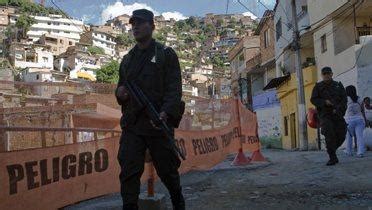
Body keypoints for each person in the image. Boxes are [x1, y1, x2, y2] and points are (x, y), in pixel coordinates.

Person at [115, 9, 185, 210]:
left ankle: (178, 203)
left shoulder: (165, 55)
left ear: (152, 26)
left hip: (158, 124)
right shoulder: (127, 60)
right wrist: (119, 93)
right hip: (133, 125)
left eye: (140, 22)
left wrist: (164, 113)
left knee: (169, 172)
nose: (135, 26)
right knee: (128, 172)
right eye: (132, 23)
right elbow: (120, 88)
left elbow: (174, 89)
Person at [311, 67, 347, 166]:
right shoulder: (318, 87)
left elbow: (344, 100)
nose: (326, 75)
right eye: (324, 74)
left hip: (337, 113)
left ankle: (331, 149)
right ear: (322, 75)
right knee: (329, 133)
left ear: (331, 74)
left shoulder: (338, 86)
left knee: (342, 134)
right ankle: (332, 157)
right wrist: (324, 102)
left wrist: (339, 109)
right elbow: (313, 100)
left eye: (328, 73)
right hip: (325, 114)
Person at [344, 85, 367, 157]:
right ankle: (360, 152)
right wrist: (365, 120)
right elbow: (363, 111)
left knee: (349, 136)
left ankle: (349, 151)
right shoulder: (360, 99)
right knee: (360, 136)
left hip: (349, 120)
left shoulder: (345, 99)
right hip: (360, 119)